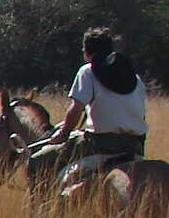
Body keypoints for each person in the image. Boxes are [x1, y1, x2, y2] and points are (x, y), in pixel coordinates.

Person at [25, 26, 147, 185]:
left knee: (37, 161)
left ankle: (43, 209)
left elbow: (76, 109)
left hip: (99, 144)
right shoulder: (135, 78)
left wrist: (64, 132)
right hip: (135, 146)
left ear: (87, 52)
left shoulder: (88, 71)